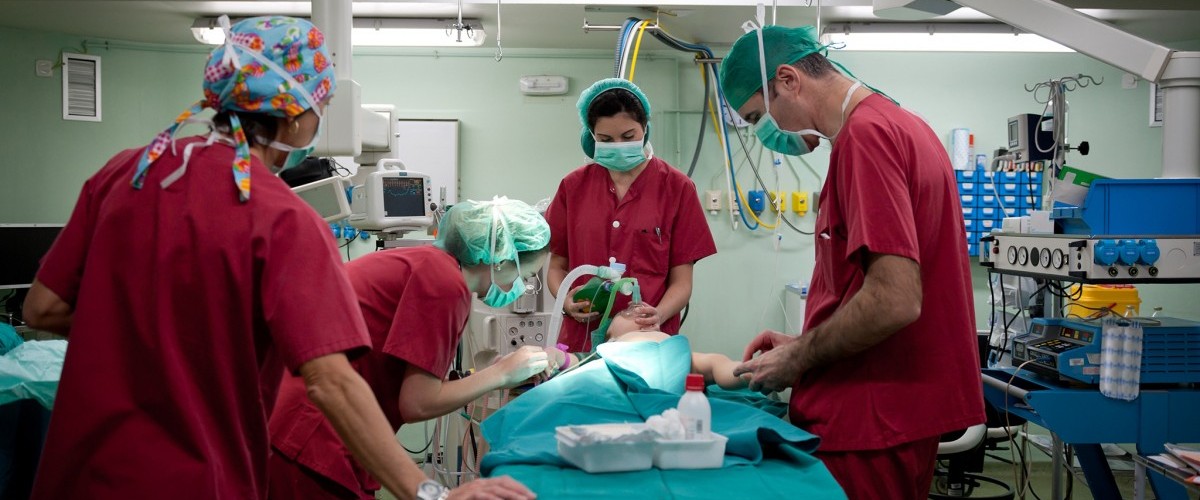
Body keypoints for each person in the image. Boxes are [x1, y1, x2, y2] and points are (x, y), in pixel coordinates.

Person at [21, 16, 531, 500]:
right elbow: (330, 382)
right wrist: (430, 492)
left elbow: (41, 309)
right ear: (299, 115)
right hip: (190, 476)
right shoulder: (281, 217)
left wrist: (157, 335)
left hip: (76, 468)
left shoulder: (126, 172)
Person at [719, 24, 985, 499]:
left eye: (759, 115)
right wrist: (804, 342)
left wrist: (798, 357)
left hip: (872, 415)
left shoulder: (867, 139)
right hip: (894, 406)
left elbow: (894, 300)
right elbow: (870, 286)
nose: (765, 132)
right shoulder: (902, 125)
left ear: (788, 80)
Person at [268, 198, 555, 499]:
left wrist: (485, 373)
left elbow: (412, 383)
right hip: (312, 434)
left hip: (300, 422)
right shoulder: (445, 284)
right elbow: (417, 402)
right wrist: (500, 374)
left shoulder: (426, 265)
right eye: (523, 277)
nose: (520, 288)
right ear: (501, 259)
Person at [546, 78, 717, 353]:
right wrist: (565, 300)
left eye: (628, 137)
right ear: (591, 136)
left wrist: (659, 315)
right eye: (605, 140)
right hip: (582, 338)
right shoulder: (573, 187)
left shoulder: (677, 188)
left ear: (645, 129)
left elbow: (682, 282)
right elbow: (557, 266)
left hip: (647, 340)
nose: (618, 145)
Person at [549, 304, 749, 391]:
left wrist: (746, 371)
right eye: (627, 314)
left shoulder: (676, 351)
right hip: (619, 373)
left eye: (646, 314)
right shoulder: (605, 353)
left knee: (716, 362)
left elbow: (718, 366)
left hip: (672, 361)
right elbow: (567, 360)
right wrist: (551, 357)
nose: (636, 310)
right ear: (609, 338)